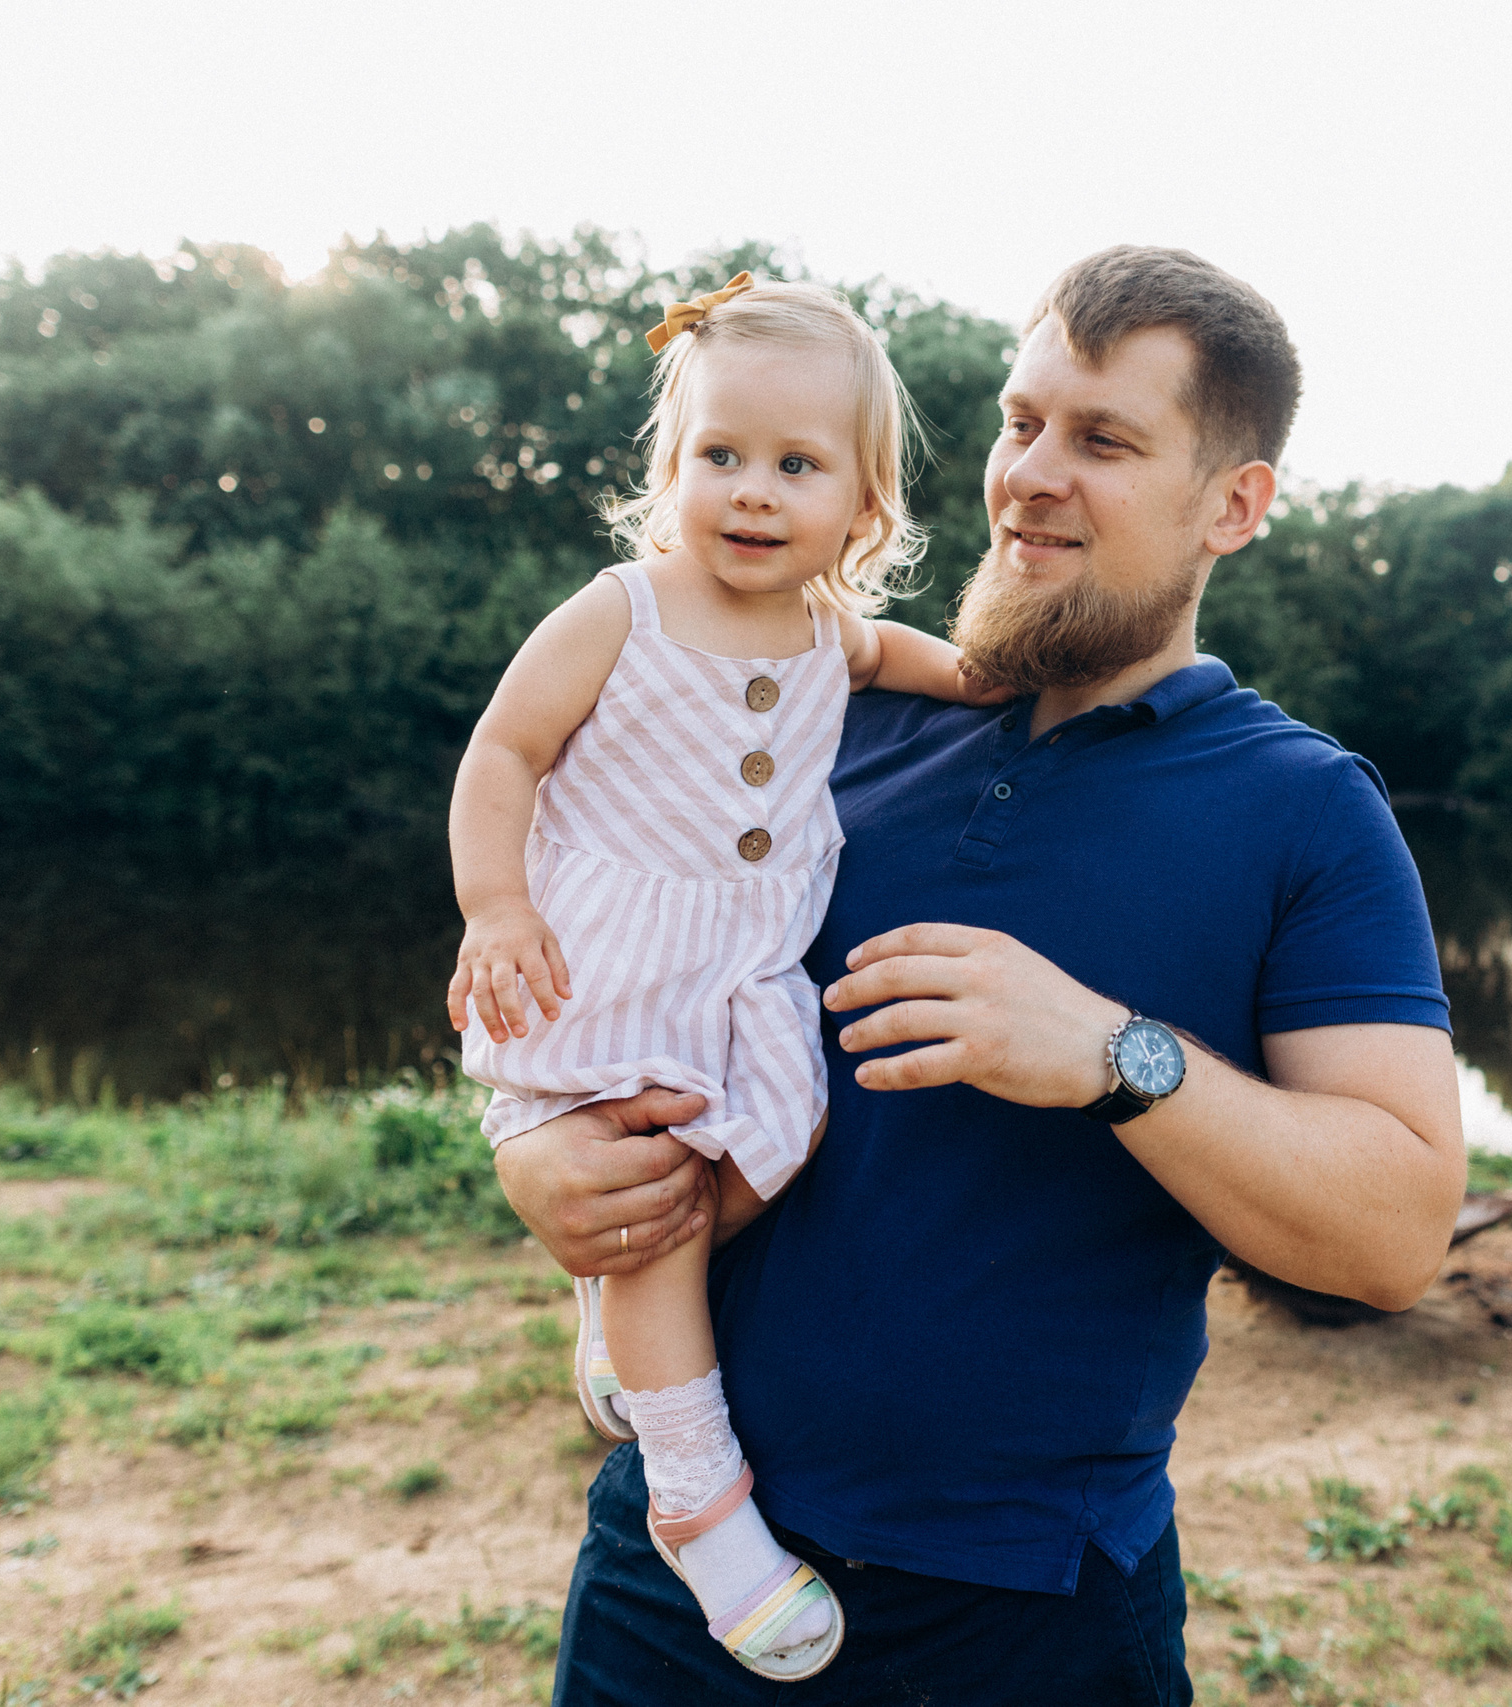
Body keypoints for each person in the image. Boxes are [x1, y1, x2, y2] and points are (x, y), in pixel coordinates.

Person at [495, 246, 1468, 1705]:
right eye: (1022, 423)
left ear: (1235, 506)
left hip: (1031, 1616)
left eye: (1104, 440)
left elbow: (1396, 1231)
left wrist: (1110, 1054)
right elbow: (605, 961)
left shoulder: (1303, 809)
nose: (1030, 474)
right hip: (684, 1574)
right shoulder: (817, 714)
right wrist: (543, 1165)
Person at [446, 274, 998, 1681]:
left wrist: (1004, 682)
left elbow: (915, 659)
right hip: (617, 975)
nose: (753, 494)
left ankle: (619, 1314)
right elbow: (502, 755)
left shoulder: (827, 634)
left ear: (862, 506)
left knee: (775, 1146)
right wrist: (497, 906)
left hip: (738, 987)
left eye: (798, 466)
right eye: (721, 457)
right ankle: (701, 1501)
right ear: (672, 467)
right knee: (661, 1209)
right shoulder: (619, 611)